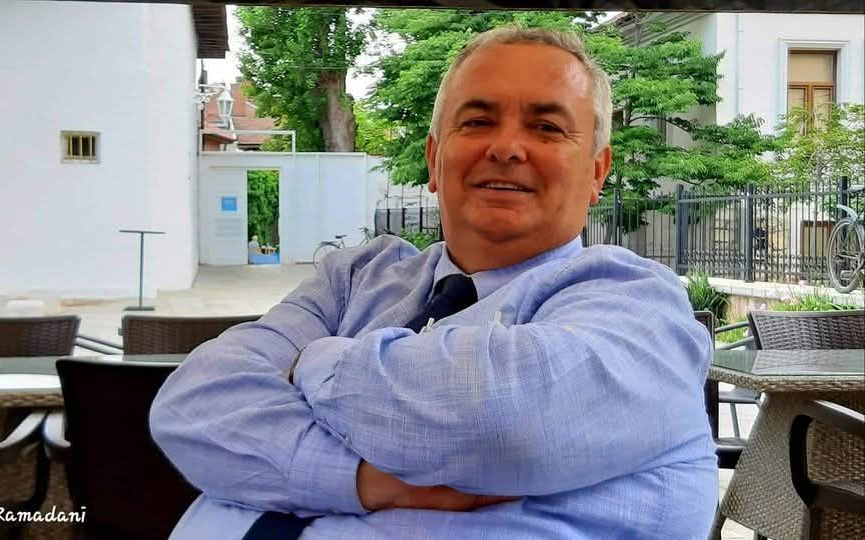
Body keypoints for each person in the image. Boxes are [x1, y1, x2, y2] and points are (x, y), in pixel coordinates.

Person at [151, 27, 717, 539]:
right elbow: (190, 405)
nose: (506, 147)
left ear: (596, 171)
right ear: (433, 157)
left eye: (546, 127)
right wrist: (366, 481)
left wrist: (314, 364)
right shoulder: (355, 279)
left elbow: (499, 418)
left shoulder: (641, 306)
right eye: (477, 122)